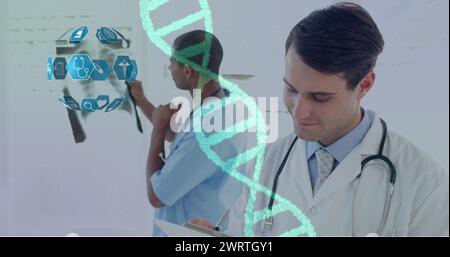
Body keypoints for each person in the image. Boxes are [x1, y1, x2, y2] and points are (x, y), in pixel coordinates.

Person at [192, 3, 449, 236]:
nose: (299, 111)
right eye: (291, 89)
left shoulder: (424, 183)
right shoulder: (265, 165)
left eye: (319, 97)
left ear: (365, 84)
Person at [129, 30, 243, 236]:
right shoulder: (221, 104)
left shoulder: (207, 131)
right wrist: (141, 100)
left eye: (172, 63)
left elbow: (157, 196)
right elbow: (178, 138)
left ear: (188, 71)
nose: (170, 68)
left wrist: (156, 132)